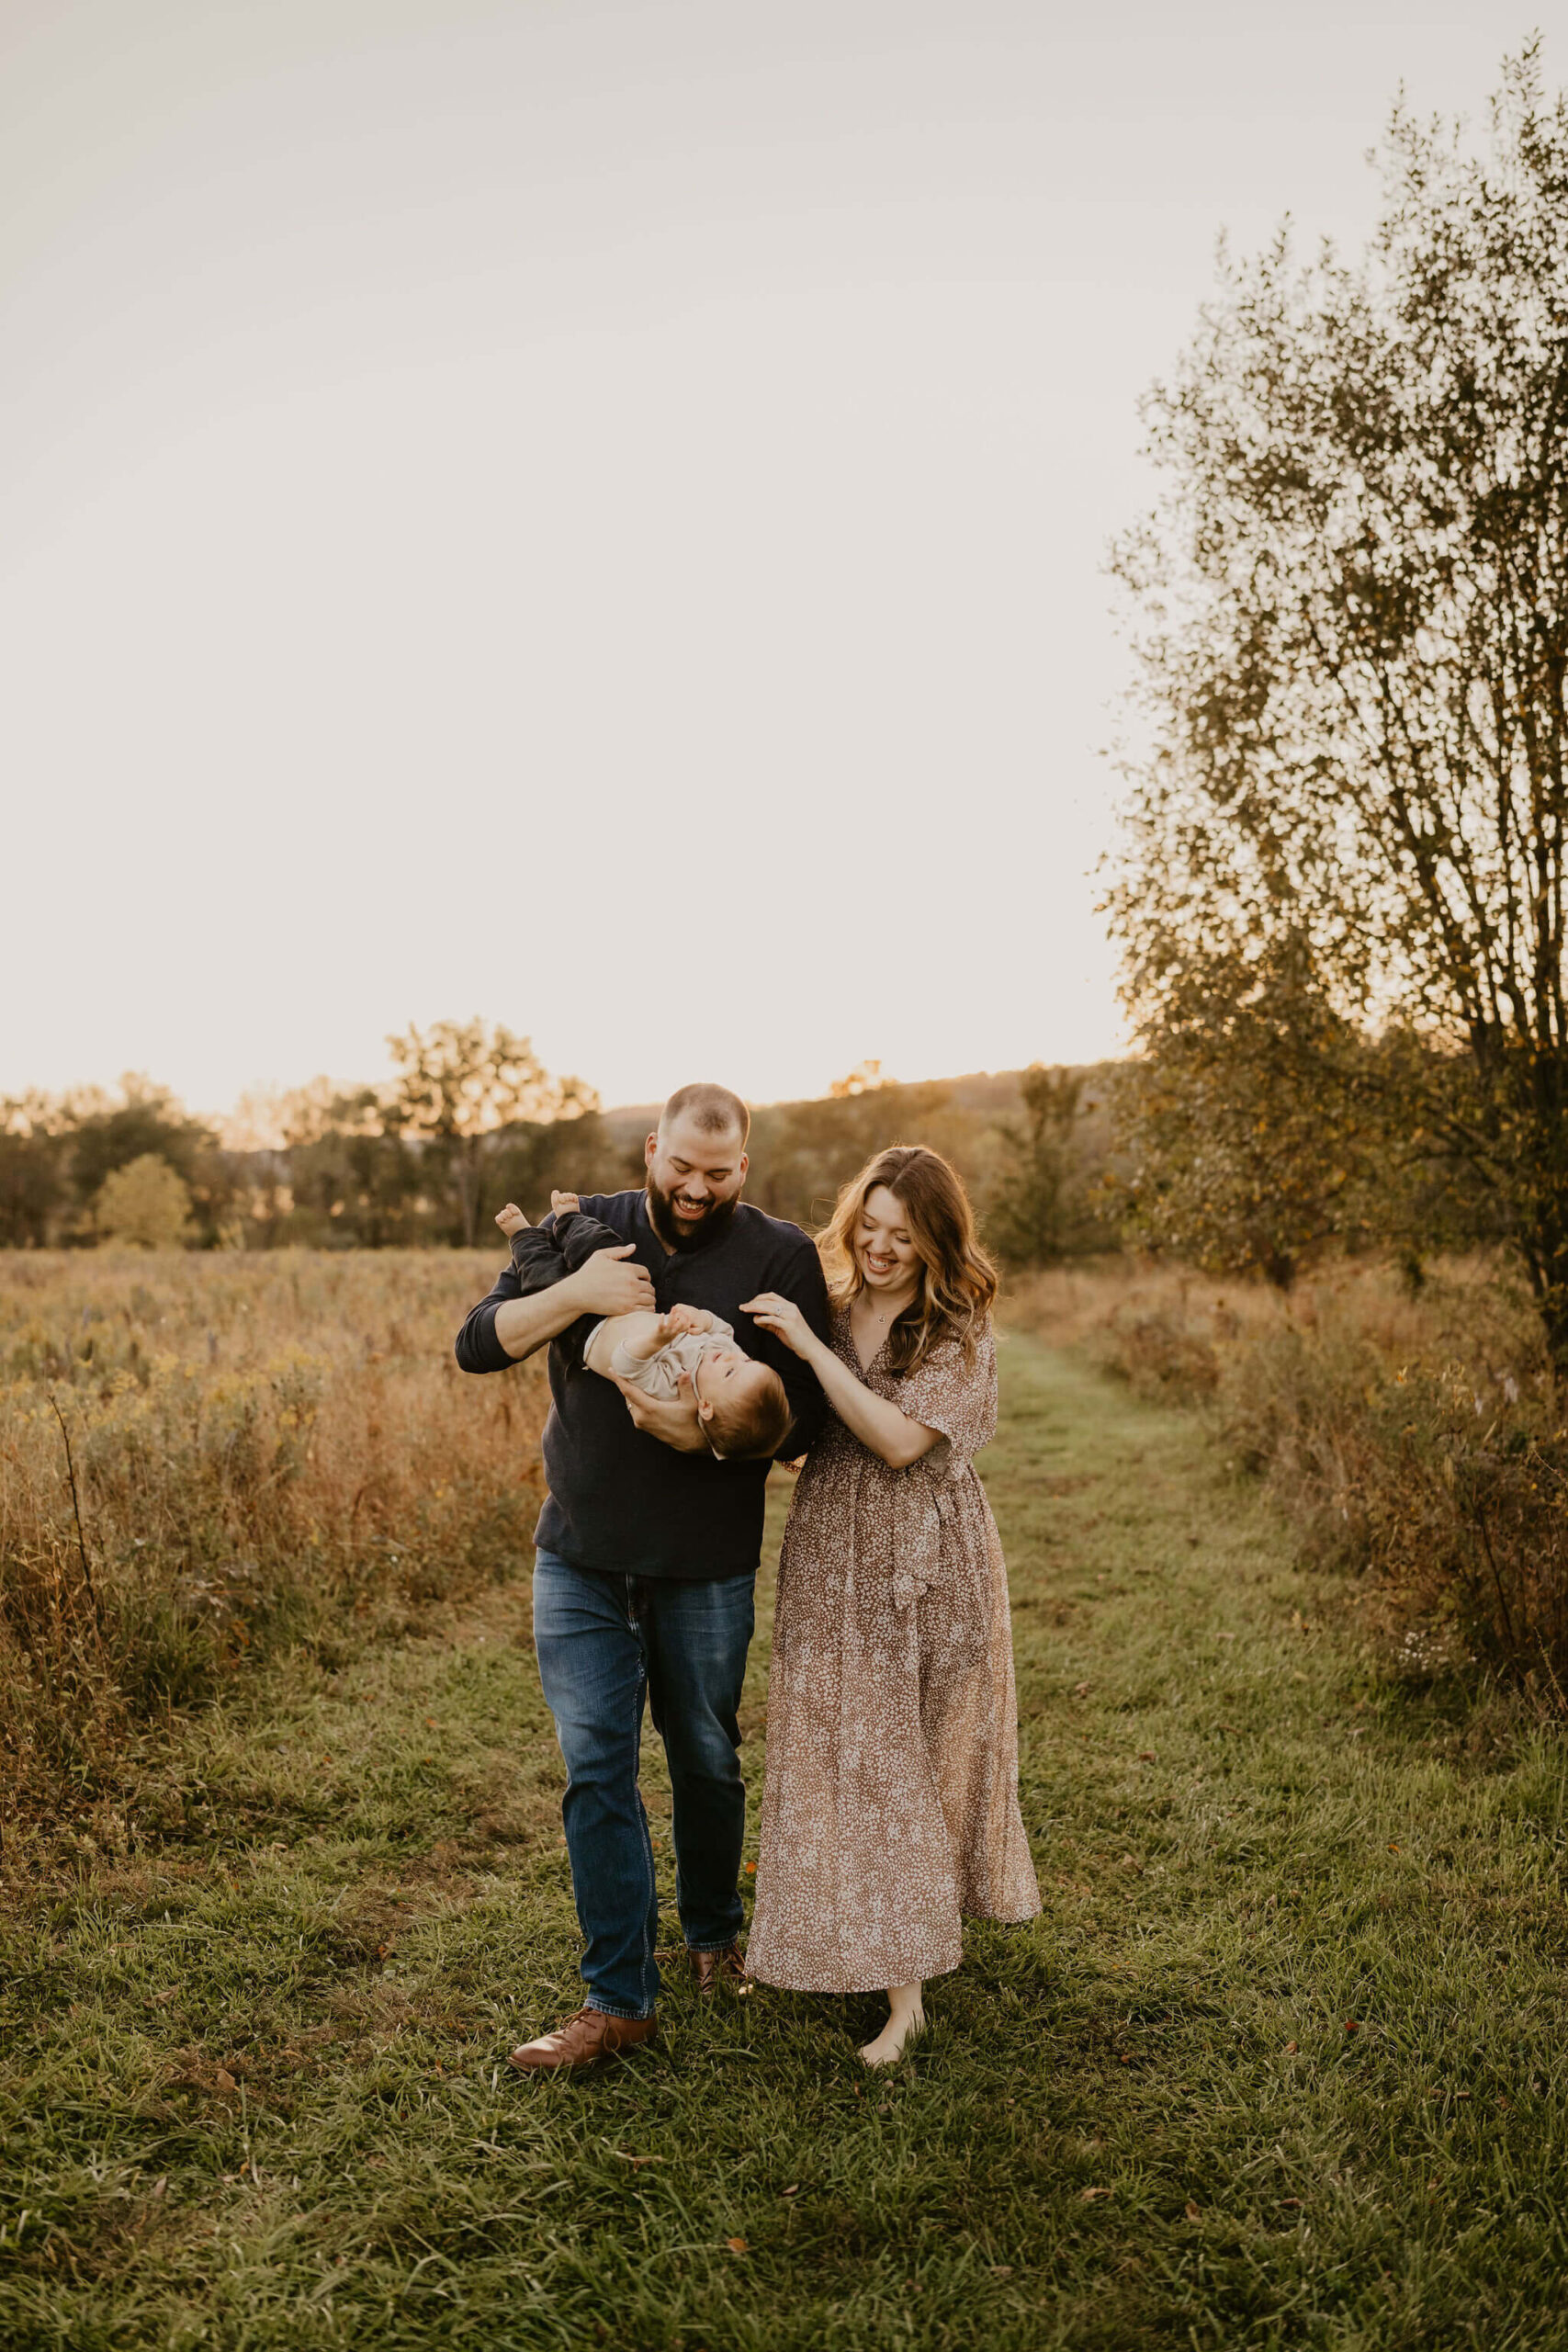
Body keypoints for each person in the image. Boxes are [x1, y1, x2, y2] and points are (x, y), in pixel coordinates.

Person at [454, 1083, 829, 2073]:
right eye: (680, 1168)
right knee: (597, 1771)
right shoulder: (596, 1229)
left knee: (705, 1756)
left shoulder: (780, 1254)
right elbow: (477, 1342)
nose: (696, 1188)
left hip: (705, 1567)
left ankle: (714, 1934)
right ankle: (618, 1999)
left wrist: (710, 1438)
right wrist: (578, 1294)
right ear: (653, 1149)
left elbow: (810, 1423)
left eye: (719, 1173)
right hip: (577, 1554)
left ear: (742, 1166)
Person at [740, 1144, 1041, 2065]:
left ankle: (905, 1995)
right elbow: (798, 1441)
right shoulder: (826, 1310)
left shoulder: (954, 1327)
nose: (878, 1247)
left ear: (934, 1239)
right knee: (843, 1747)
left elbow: (898, 1441)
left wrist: (807, 1349)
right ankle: (861, 1935)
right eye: (867, 1227)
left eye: (900, 1235)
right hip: (831, 1549)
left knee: (902, 1753)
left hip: (927, 1554)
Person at [494, 1195, 791, 1458]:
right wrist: (703, 1319)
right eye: (747, 1361)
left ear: (706, 1407)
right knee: (613, 1254)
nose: (733, 1358)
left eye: (730, 1373)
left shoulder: (673, 1387)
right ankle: (571, 1220)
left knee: (544, 1276)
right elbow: (723, 1331)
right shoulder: (724, 1354)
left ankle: (521, 1235)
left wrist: (659, 1338)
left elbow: (627, 1365)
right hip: (629, 1306)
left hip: (587, 1333)